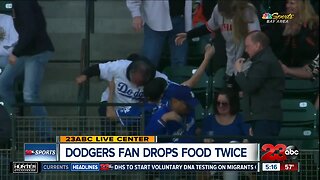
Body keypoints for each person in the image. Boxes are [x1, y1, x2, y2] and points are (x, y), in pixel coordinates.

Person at [0, 0, 54, 139]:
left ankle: (46, 134)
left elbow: (31, 30)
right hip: (27, 51)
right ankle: (11, 120)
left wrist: (15, 53)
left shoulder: (23, 3)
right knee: (3, 83)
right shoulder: (20, 4)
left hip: (37, 52)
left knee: (30, 94)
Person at [75, 54, 168, 134]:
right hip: (112, 101)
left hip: (134, 107)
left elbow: (167, 83)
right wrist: (85, 75)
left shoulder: (157, 77)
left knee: (137, 131)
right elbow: (98, 68)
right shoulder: (119, 66)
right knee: (108, 129)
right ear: (131, 72)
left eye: (140, 83)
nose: (136, 85)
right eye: (135, 81)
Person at [176, 0, 261, 87]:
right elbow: (209, 27)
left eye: (225, 15)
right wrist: (189, 34)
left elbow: (255, 39)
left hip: (246, 63)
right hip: (229, 63)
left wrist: (244, 58)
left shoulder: (247, 10)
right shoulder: (217, 9)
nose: (223, 16)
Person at [234, 31, 285, 146]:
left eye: (248, 46)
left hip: (265, 118)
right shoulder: (263, 60)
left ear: (257, 45)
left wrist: (238, 71)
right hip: (261, 117)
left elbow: (249, 86)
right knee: (260, 157)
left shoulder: (264, 61)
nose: (246, 50)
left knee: (265, 157)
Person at [201, 88, 252, 180]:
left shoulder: (241, 119)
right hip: (215, 159)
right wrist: (206, 141)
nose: (220, 106)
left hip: (237, 161)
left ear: (232, 104)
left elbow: (248, 138)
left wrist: (246, 141)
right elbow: (204, 138)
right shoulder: (209, 120)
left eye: (224, 103)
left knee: (233, 146)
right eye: (218, 103)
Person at [126, 0, 192, 68]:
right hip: (155, 21)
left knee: (180, 59)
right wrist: (136, 15)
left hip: (180, 19)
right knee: (150, 58)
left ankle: (178, 77)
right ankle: (148, 77)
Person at [266, 0, 319, 68]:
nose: (287, 6)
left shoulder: (313, 23)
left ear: (302, 5)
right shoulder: (282, 18)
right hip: (280, 66)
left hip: (304, 68)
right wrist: (283, 33)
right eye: (287, 2)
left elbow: (312, 51)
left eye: (292, 3)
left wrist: (298, 33)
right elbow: (265, 16)